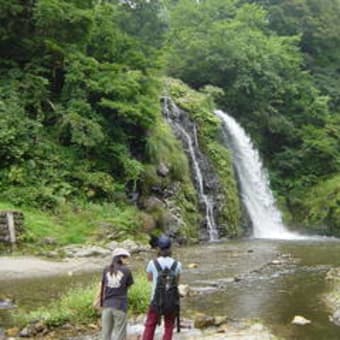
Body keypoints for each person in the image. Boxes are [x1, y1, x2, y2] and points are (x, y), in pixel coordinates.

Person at [142, 235, 182, 340]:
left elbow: (149, 279)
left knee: (150, 324)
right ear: (170, 248)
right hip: (171, 300)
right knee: (169, 326)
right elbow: (177, 281)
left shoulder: (152, 263)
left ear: (158, 248)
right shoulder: (177, 264)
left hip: (156, 300)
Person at [100, 248, 134, 340]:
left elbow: (102, 286)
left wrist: (100, 302)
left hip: (107, 306)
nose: (127, 260)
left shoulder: (106, 269)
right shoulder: (126, 270)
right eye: (126, 258)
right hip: (120, 305)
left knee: (106, 334)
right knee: (120, 333)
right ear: (120, 258)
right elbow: (128, 286)